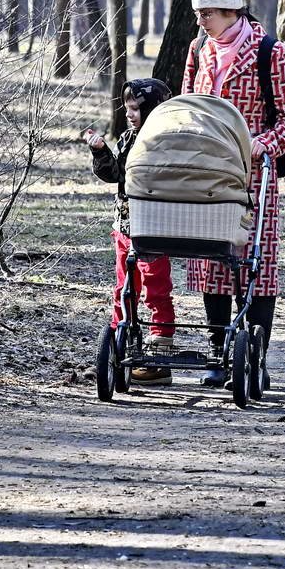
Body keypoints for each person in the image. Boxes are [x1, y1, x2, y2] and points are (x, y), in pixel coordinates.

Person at [182, 0, 285, 387]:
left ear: (231, 10)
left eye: (207, 13)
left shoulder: (270, 52)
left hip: (253, 175)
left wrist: (262, 143)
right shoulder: (198, 49)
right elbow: (186, 104)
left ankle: (255, 356)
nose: (201, 20)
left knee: (256, 263)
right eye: (198, 13)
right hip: (207, 171)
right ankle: (218, 353)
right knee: (211, 262)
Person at [86, 78, 177, 386]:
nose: (130, 114)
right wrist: (101, 152)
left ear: (153, 109)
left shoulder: (167, 142)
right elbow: (114, 174)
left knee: (156, 288)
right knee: (124, 288)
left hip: (153, 228)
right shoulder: (127, 139)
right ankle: (118, 343)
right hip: (125, 226)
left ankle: (160, 347)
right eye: (127, 108)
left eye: (136, 108)